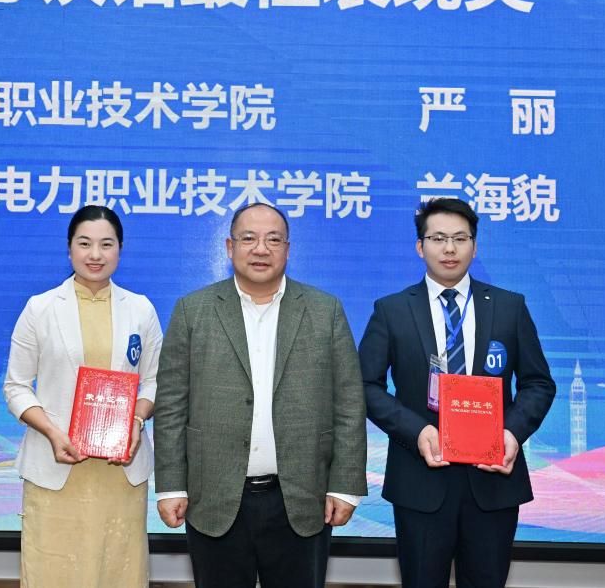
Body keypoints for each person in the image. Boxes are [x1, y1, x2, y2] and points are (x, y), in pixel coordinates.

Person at [153, 202, 367, 588]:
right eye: (249, 238)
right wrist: (170, 486)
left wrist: (346, 485)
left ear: (288, 249)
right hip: (213, 497)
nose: (261, 249)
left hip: (301, 497)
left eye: (273, 239)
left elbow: (349, 404)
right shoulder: (192, 311)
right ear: (229, 246)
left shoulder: (325, 311)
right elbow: (171, 406)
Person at [358, 198, 555, 588]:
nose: (449, 248)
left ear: (474, 246)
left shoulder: (509, 307)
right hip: (420, 480)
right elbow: (365, 385)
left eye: (460, 238)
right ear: (420, 247)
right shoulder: (392, 310)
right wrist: (416, 431)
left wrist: (511, 434)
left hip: (493, 482)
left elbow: (538, 383)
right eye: (438, 238)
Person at [3, 205, 162, 588]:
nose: (95, 254)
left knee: (119, 573)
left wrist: (137, 421)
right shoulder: (40, 308)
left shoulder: (141, 309)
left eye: (106, 244)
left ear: (120, 249)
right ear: (69, 248)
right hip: (56, 466)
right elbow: (16, 386)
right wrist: (52, 433)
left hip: (120, 472)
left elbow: (156, 381)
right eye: (85, 243)